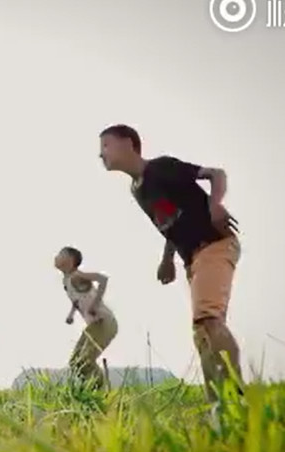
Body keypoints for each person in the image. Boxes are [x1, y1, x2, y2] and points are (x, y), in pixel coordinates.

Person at [99, 124, 242, 402]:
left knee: (208, 320)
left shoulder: (161, 167)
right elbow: (169, 222)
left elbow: (215, 174)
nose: (100, 153)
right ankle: (220, 407)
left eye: (106, 145)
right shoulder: (137, 189)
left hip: (214, 243)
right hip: (193, 258)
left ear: (128, 144)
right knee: (203, 331)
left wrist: (215, 205)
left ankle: (235, 399)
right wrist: (168, 259)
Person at [54, 246, 117, 389]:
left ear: (70, 260)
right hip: (93, 325)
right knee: (75, 362)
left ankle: (101, 390)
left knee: (85, 360)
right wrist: (71, 315)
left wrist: (95, 305)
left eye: (60, 255)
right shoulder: (67, 281)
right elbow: (77, 300)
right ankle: (89, 390)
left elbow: (103, 279)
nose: (56, 257)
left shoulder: (77, 275)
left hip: (104, 322)